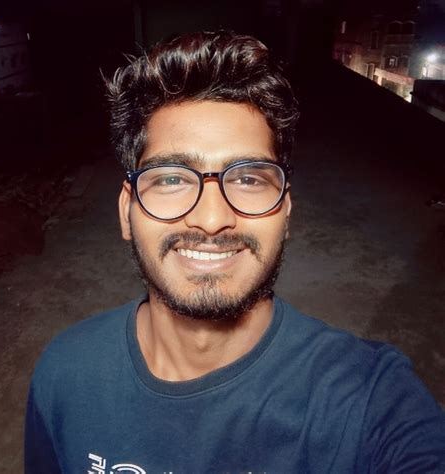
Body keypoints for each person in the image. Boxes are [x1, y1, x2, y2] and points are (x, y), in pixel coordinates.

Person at [25, 31, 445, 473]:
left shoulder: (370, 403)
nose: (211, 219)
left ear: (285, 211)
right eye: (172, 178)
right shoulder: (64, 375)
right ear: (127, 213)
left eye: (247, 178)